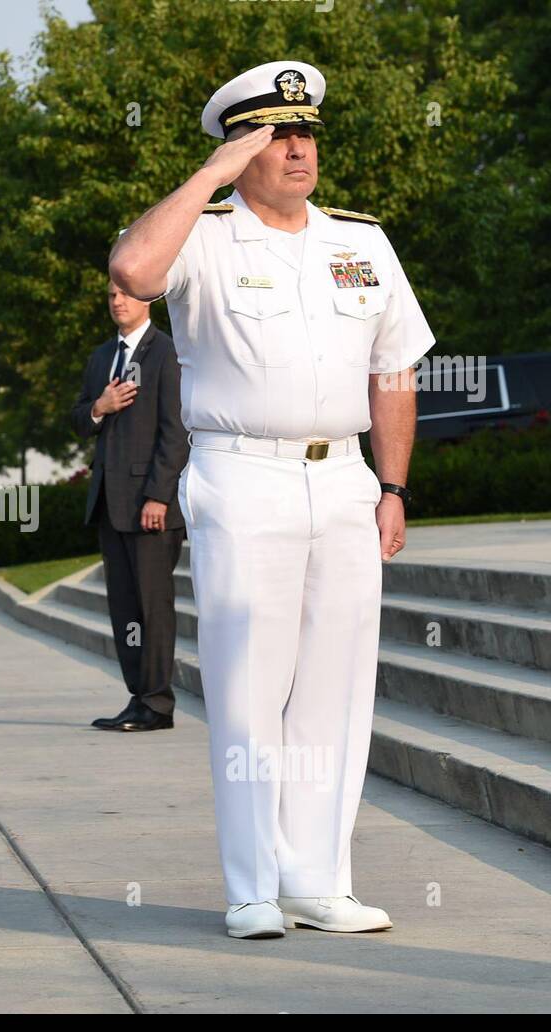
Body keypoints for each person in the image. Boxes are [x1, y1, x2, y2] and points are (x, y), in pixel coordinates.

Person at [110, 61, 433, 939]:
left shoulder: (360, 242)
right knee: (252, 685)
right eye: (273, 134)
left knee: (337, 686)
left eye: (306, 133)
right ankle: (252, 886)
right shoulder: (204, 237)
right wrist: (210, 176)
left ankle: (318, 878)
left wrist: (394, 486)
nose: (297, 148)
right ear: (239, 147)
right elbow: (132, 270)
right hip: (242, 474)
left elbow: (393, 370)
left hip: (344, 481)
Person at [71, 279, 187, 732]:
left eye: (126, 293)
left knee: (153, 606)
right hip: (109, 503)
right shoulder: (101, 357)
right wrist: (100, 406)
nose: (117, 300)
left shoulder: (168, 353)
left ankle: (158, 704)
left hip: (150, 506)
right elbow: (79, 419)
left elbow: (176, 432)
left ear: (148, 297)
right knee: (124, 607)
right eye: (111, 294)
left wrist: (159, 494)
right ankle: (138, 698)